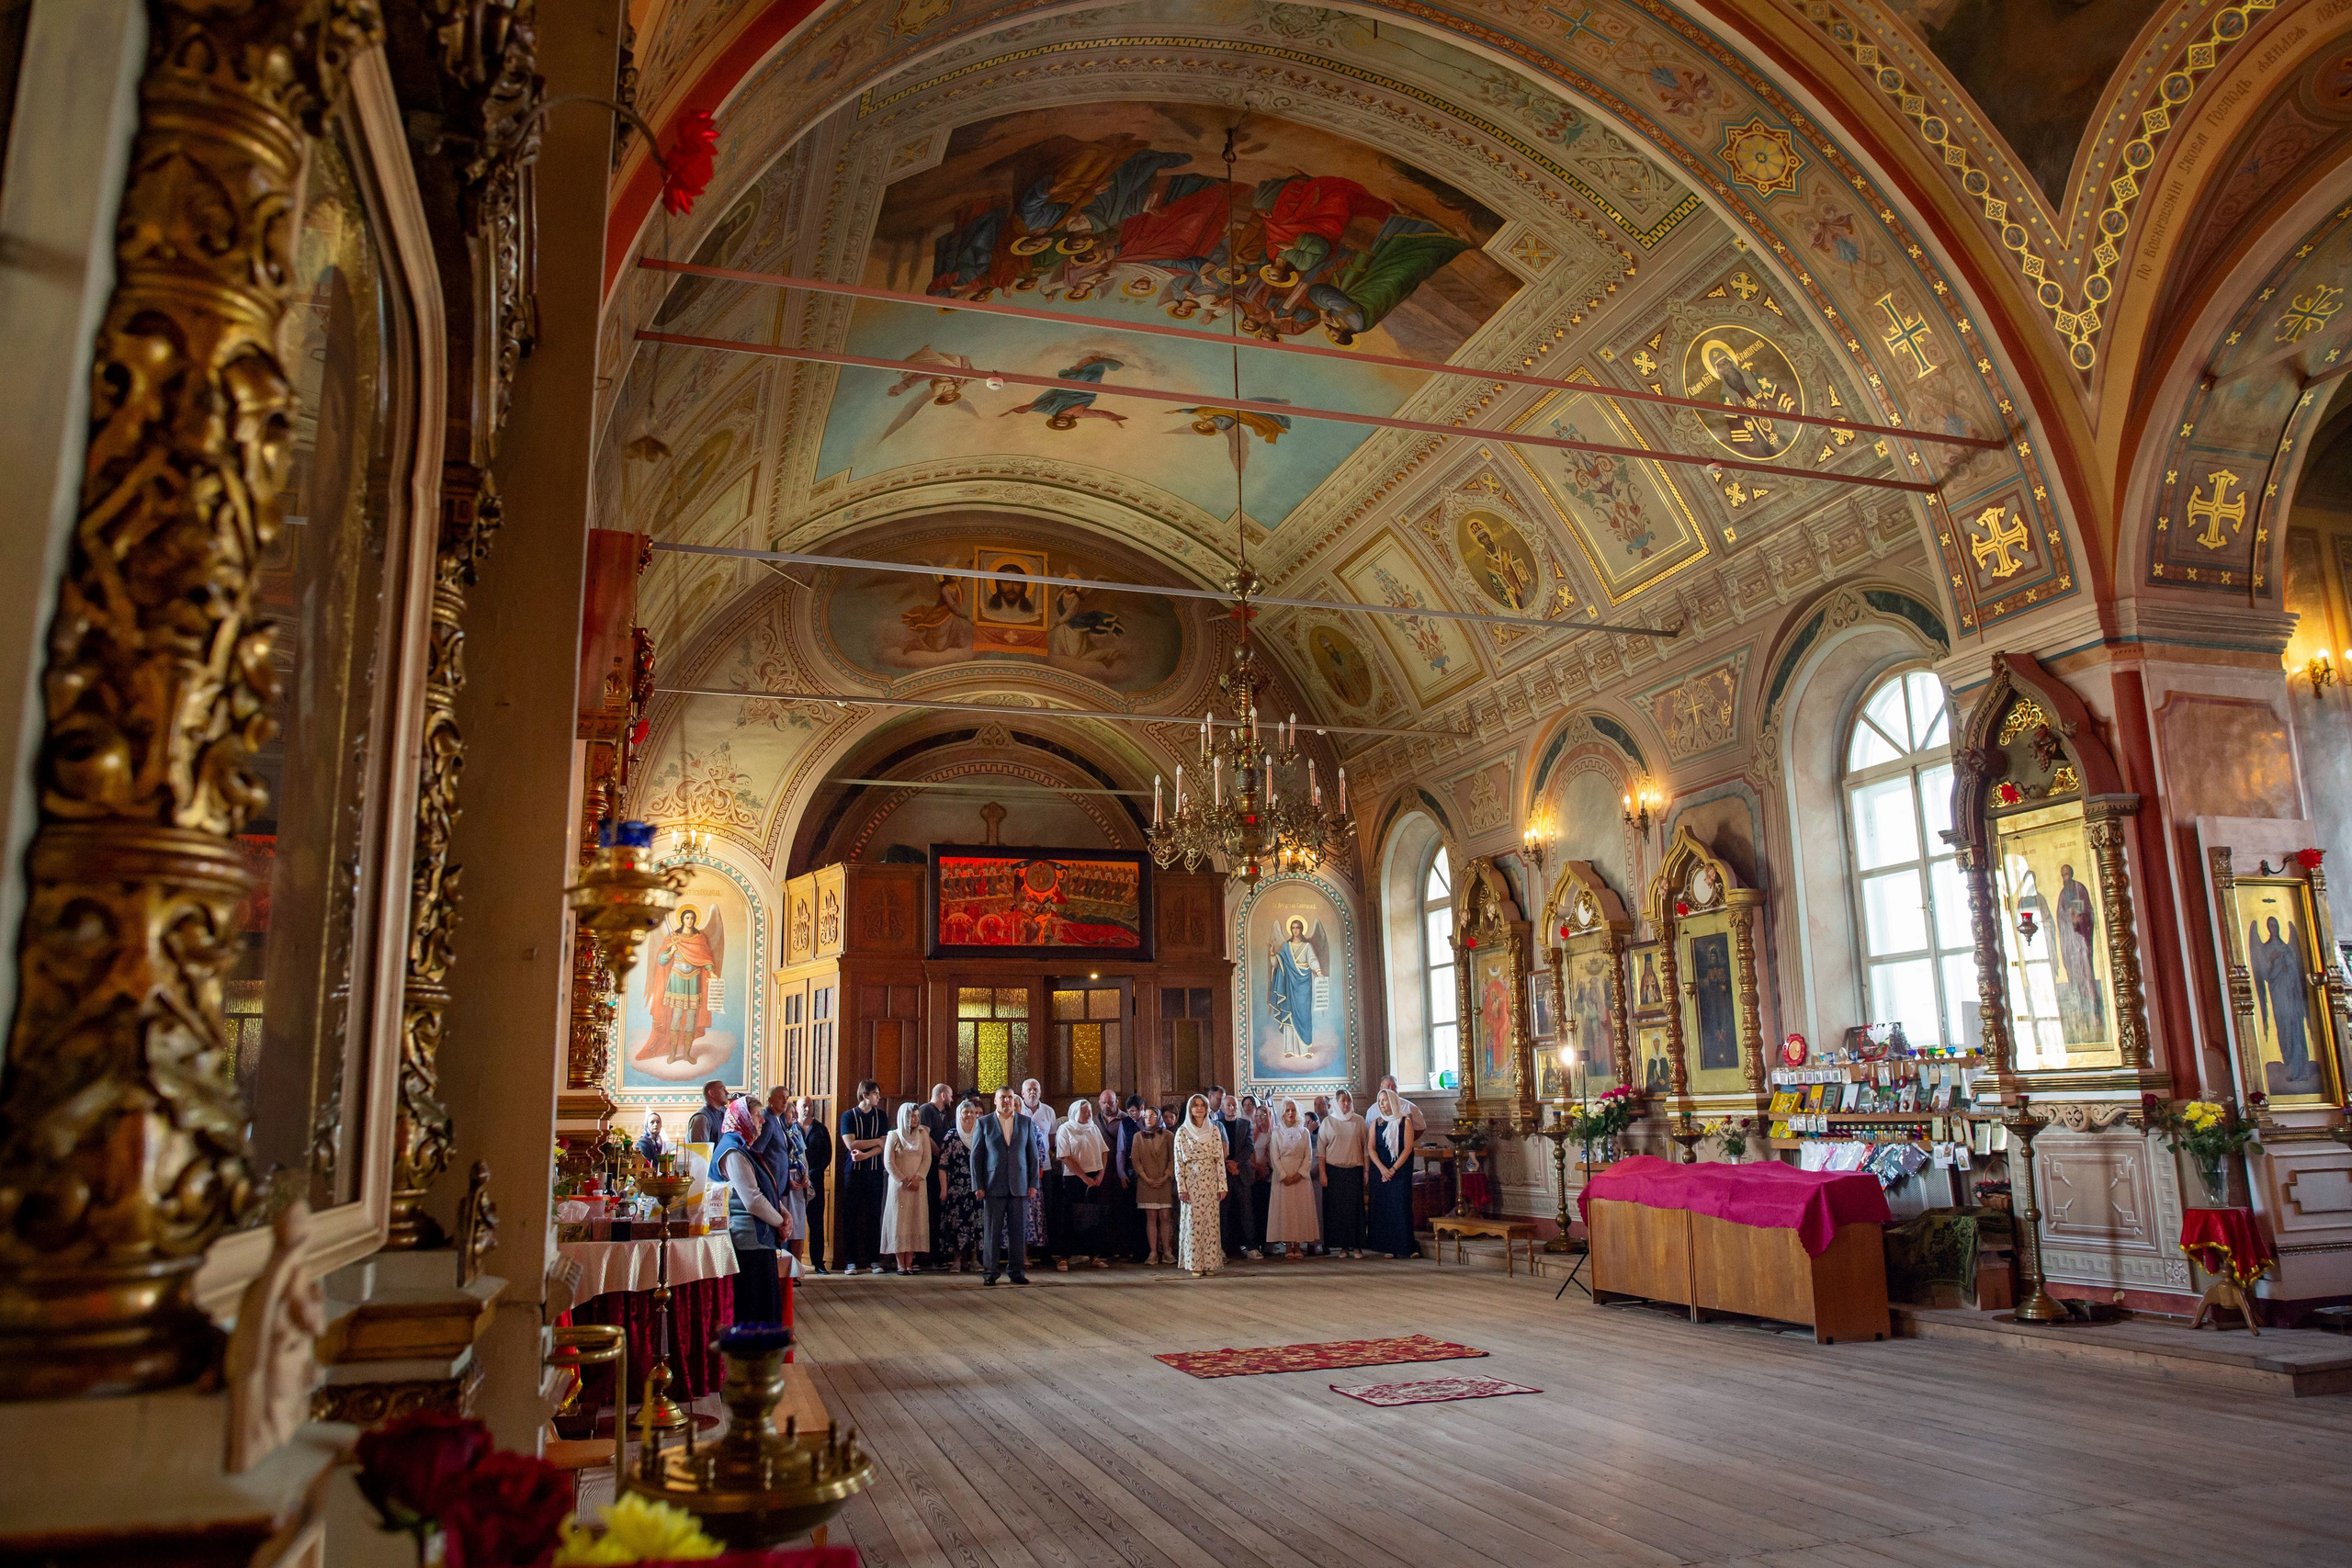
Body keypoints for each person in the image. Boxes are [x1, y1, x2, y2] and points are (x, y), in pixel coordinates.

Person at [709, 1096, 786, 1324]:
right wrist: (780, 1222)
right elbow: (752, 1199)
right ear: (742, 1118)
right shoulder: (733, 1151)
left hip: (758, 1239)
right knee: (756, 1313)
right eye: (756, 1116)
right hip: (748, 1242)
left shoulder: (743, 1146)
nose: (762, 1120)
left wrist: (783, 1212)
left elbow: (762, 1188)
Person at [970, 1086, 1036, 1285]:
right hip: (992, 1185)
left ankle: (1017, 1272)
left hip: (1019, 1186)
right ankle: (990, 1273)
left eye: (1009, 1097)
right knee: (992, 1232)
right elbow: (976, 1157)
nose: (1006, 1101)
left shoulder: (1026, 1122)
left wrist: (1033, 1183)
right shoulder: (984, 1123)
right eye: (1002, 1098)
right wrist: (978, 1185)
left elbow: (1032, 1156)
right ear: (996, 1101)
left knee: (1018, 1231)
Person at [836, 1081, 889, 1274]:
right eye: (876, 1094)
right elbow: (851, 1143)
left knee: (874, 1215)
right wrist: (876, 1142)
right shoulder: (848, 1116)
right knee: (851, 1215)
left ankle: (873, 1259)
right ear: (865, 1095)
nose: (879, 1097)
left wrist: (865, 1154)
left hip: (874, 1171)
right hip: (853, 1173)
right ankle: (851, 1260)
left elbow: (885, 1143)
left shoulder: (881, 1116)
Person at [1172, 1095, 1228, 1276]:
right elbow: (1178, 1162)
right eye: (1195, 1106)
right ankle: (1195, 1264)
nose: (1199, 1109)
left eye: (1202, 1105)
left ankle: (1210, 1264)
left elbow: (1219, 1159)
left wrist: (1222, 1185)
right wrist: (1182, 1187)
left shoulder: (1214, 1131)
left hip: (1211, 1182)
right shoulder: (1182, 1132)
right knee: (1193, 1224)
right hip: (1192, 1182)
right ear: (1190, 1109)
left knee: (1211, 1223)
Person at [1055, 1099, 1112, 1270]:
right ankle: (1065, 1257)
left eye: (1089, 1111)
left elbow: (1104, 1151)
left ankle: (1093, 1255)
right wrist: (1083, 1177)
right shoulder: (1065, 1129)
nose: (1088, 1114)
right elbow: (1065, 1156)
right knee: (1071, 1217)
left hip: (1095, 1178)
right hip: (1074, 1178)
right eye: (1084, 1111)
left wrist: (1101, 1174)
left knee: (1093, 1218)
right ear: (1075, 1113)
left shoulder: (1093, 1127)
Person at [1263, 1098, 1320, 1260]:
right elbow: (1274, 1157)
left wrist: (1299, 1174)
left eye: (1293, 1110)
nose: (1290, 1113)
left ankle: (1298, 1245)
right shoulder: (1276, 1132)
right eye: (1287, 1110)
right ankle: (1288, 1244)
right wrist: (1283, 1175)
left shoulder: (1304, 1132)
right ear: (1282, 1113)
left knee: (1299, 1211)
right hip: (1283, 1177)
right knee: (1285, 1211)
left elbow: (1308, 1156)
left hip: (1300, 1177)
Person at [880, 1102, 933, 1276]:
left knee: (914, 1220)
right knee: (899, 1222)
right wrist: (903, 1180)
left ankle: (910, 1262)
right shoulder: (893, 1135)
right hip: (899, 1187)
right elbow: (889, 1162)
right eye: (912, 1116)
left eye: (917, 1116)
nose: (915, 1119)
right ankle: (900, 1263)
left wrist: (918, 1177)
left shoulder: (922, 1134)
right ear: (904, 1117)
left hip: (918, 1184)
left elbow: (927, 1159)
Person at [1366, 1087, 1419, 1259]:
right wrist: (1382, 1169)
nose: (1382, 1104)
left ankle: (1407, 1247)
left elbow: (1408, 1148)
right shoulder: (1376, 1123)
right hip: (1381, 1171)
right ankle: (1388, 1246)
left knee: (1401, 1207)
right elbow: (1371, 1148)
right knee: (1385, 1208)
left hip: (1399, 1170)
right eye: (1379, 1101)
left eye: (1384, 1100)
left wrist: (1393, 1169)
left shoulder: (1405, 1122)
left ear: (1393, 1101)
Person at [760, 1087, 809, 1263]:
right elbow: (759, 1153)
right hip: (771, 1184)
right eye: (781, 1097)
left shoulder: (778, 1120)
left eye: (786, 1097)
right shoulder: (767, 1120)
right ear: (769, 1100)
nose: (784, 1100)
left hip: (781, 1184)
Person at [936, 1099, 984, 1271]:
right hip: (956, 1188)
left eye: (972, 1112)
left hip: (977, 1187)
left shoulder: (981, 1134)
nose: (969, 1115)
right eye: (965, 1112)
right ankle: (957, 1259)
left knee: (976, 1223)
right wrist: (944, 1188)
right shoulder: (951, 1136)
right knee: (957, 1223)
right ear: (959, 1114)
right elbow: (942, 1165)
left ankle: (974, 1259)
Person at [1320, 1089, 1368, 1258]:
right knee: (1338, 1210)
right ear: (1336, 1103)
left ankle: (1357, 1246)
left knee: (1355, 1209)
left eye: (1348, 1100)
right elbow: (1321, 1151)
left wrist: (1366, 1171)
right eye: (1342, 1101)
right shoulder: (1328, 1122)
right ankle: (1343, 1247)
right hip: (1334, 1171)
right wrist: (1323, 1173)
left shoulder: (1359, 1121)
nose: (1346, 1104)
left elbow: (1366, 1148)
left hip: (1354, 1170)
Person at [1129, 1104, 1175, 1264]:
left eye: (1153, 1116)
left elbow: (1173, 1158)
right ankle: (1153, 1252)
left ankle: (1167, 1251)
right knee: (1151, 1216)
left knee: (1164, 1216)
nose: (1149, 1119)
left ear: (1158, 1118)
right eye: (1147, 1116)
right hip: (1146, 1182)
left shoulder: (1168, 1135)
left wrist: (1165, 1177)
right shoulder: (1138, 1137)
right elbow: (1135, 1160)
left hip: (1164, 1181)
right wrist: (1146, 1178)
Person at [918, 1083, 956, 1258]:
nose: (952, 1099)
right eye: (950, 1095)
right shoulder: (926, 1110)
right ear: (942, 1096)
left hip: (941, 1166)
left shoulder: (944, 1115)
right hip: (930, 1166)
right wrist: (939, 1153)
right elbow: (924, 1135)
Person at [796, 1098, 831, 1274]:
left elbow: (827, 1156)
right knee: (794, 1223)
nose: (807, 1109)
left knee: (816, 1223)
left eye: (810, 1106)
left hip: (815, 1182)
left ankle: (818, 1262)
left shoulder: (821, 1129)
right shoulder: (791, 1129)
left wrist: (811, 1175)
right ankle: (793, 1263)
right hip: (794, 1184)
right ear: (797, 1108)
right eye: (803, 1106)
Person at [687, 1078, 729, 1145]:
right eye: (722, 1089)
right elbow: (700, 1151)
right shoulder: (702, 1118)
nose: (727, 1093)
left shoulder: (725, 1112)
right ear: (711, 1093)